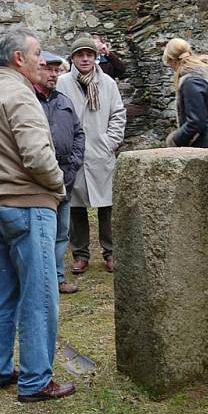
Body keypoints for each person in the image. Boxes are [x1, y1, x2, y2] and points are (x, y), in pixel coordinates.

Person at [0, 28, 75, 403]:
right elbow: (37, 156)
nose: (42, 61)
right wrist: (59, 185)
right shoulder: (20, 95)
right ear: (18, 59)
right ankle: (35, 380)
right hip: (28, 205)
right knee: (40, 294)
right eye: (36, 54)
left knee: (2, 290)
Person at [57, 35, 126, 275]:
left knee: (107, 205)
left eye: (89, 54)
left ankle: (111, 252)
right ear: (73, 58)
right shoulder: (62, 83)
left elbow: (118, 114)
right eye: (80, 55)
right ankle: (80, 254)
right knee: (76, 206)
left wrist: (110, 142)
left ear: (96, 57)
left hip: (100, 152)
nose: (85, 59)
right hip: (74, 155)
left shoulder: (107, 82)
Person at [34, 51, 85, 294]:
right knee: (41, 234)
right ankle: (41, 282)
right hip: (39, 180)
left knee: (61, 233)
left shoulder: (64, 101)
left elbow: (79, 134)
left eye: (57, 70)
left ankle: (57, 278)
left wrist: (74, 163)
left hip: (65, 177)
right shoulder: (28, 101)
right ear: (37, 69)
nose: (54, 74)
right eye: (49, 69)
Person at [163, 38, 208, 151]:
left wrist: (175, 141)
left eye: (168, 63)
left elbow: (195, 122)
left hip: (206, 147)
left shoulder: (191, 81)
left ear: (172, 60)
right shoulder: (207, 74)